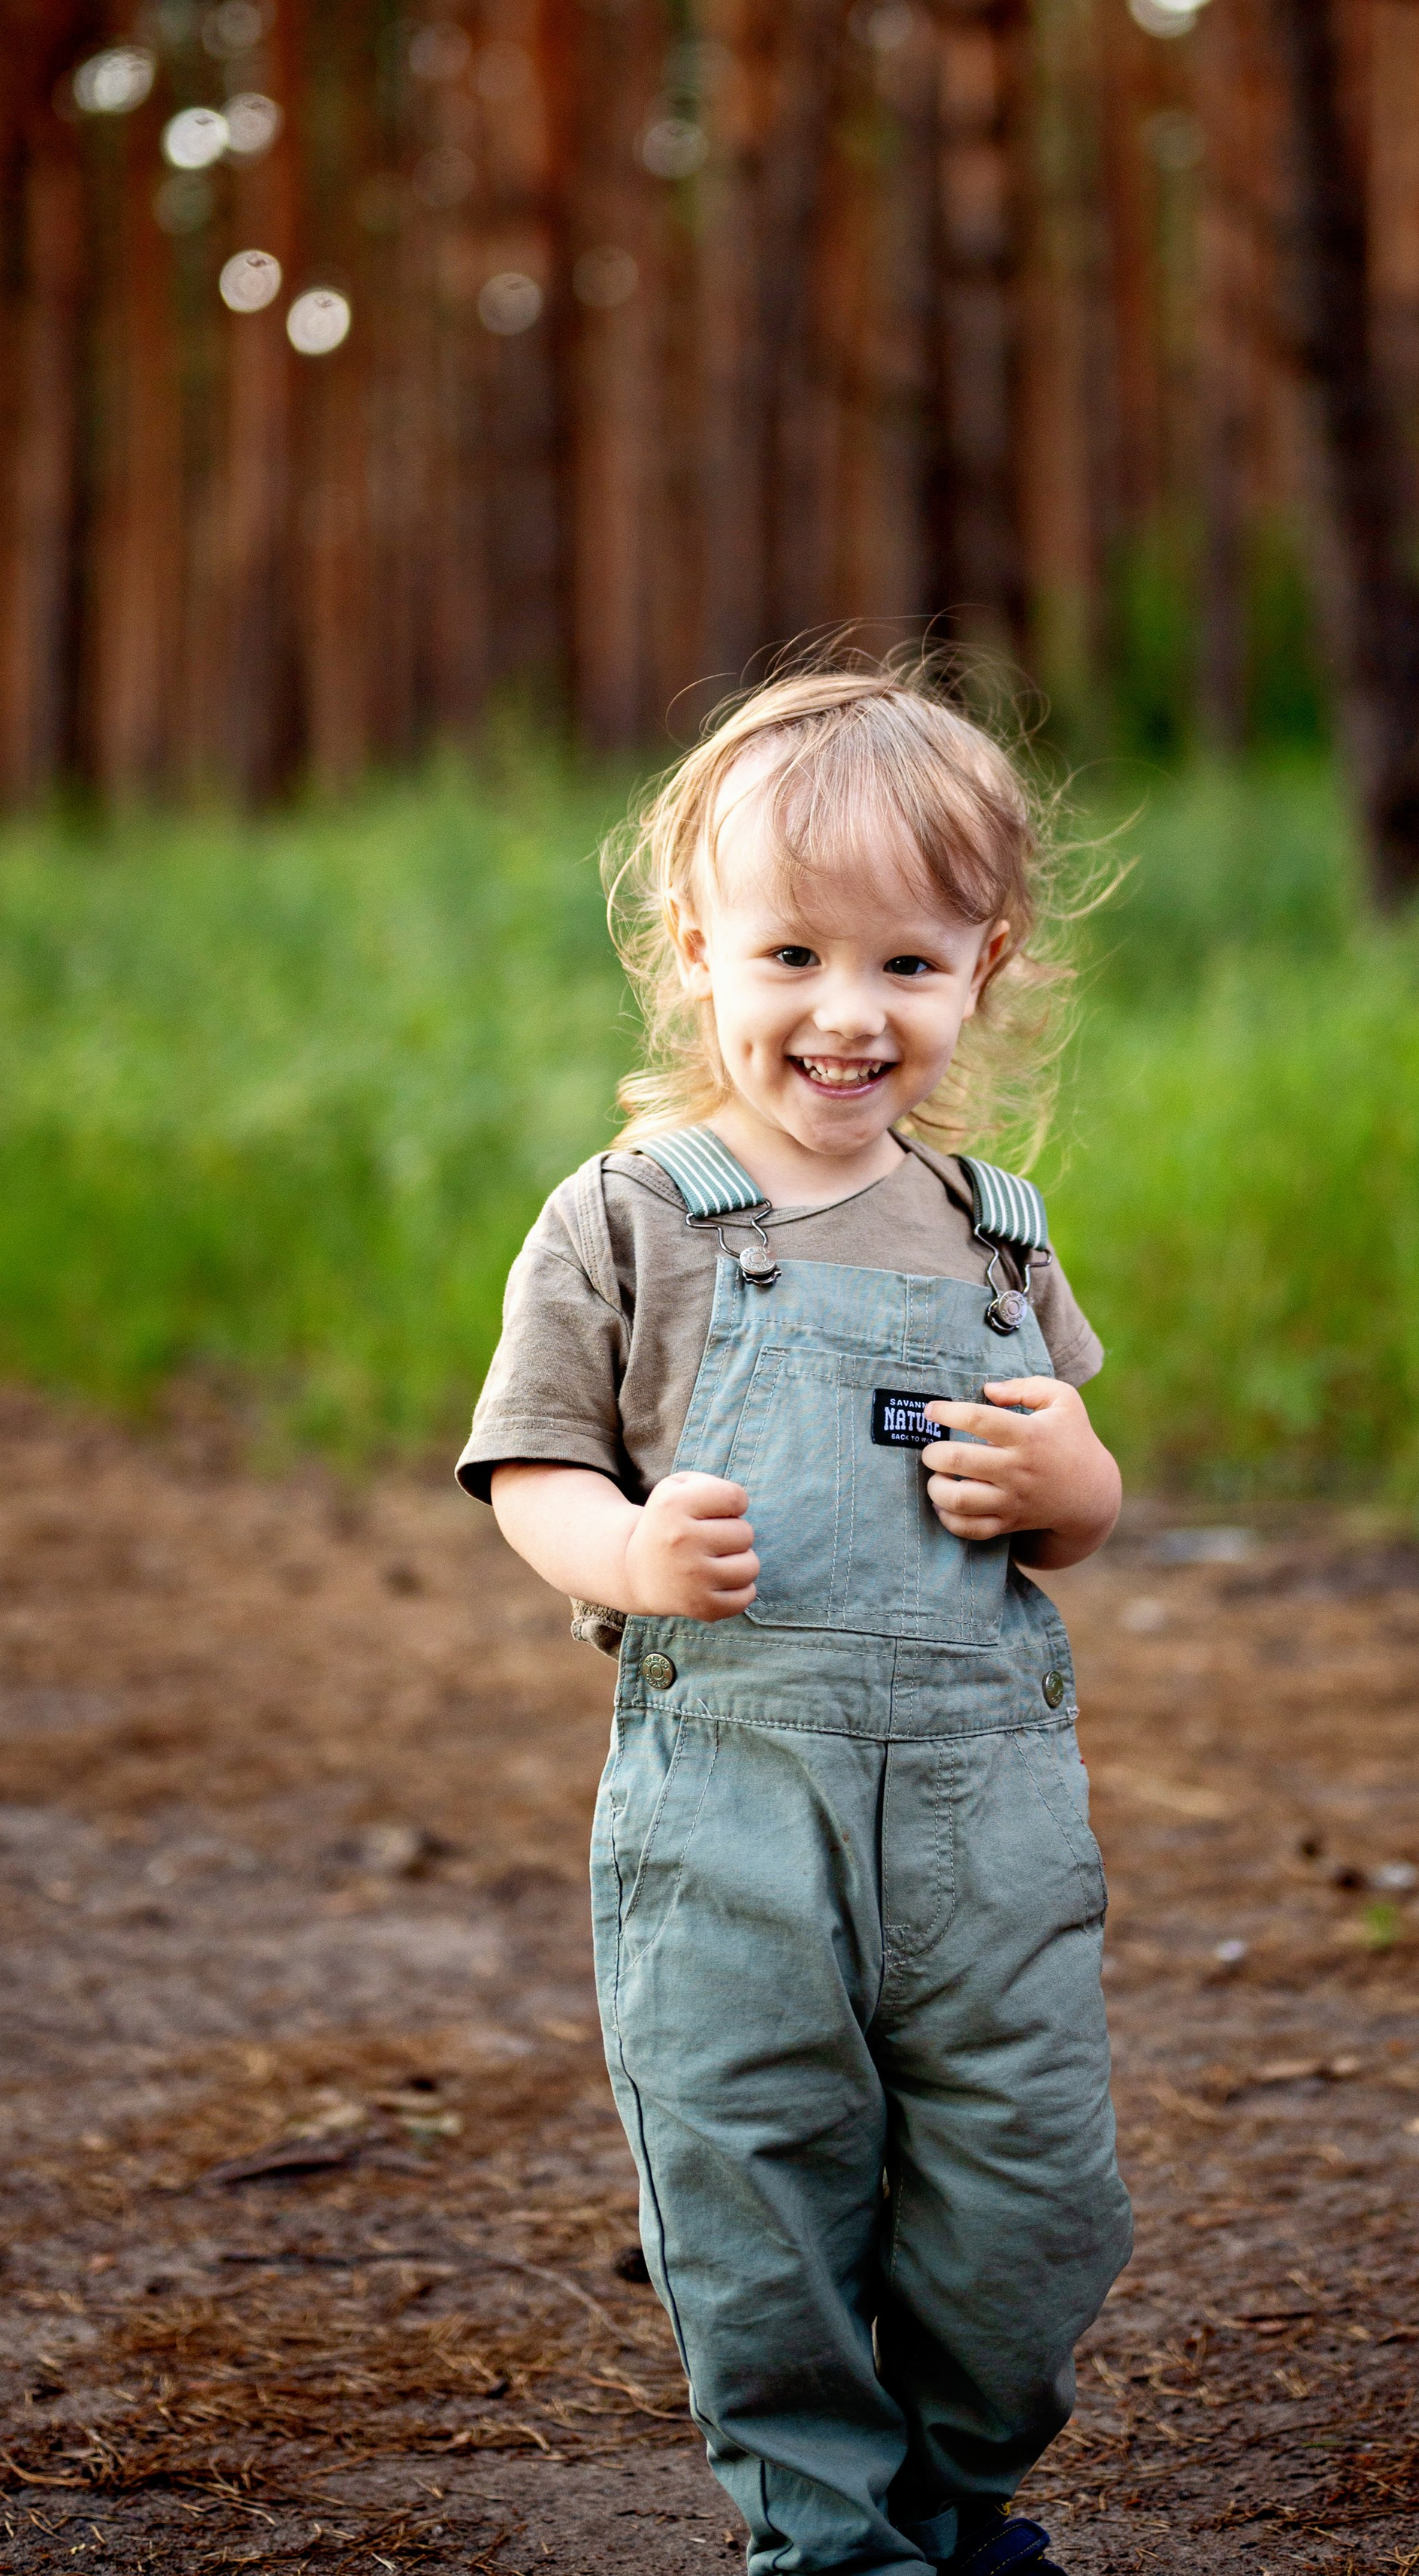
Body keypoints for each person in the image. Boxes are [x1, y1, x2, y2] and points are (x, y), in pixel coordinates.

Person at [457, 659, 1132, 2576]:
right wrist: (630, 1557)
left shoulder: (997, 1232)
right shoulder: (627, 1217)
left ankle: (959, 2484)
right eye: (791, 955)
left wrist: (1064, 1484)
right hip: (732, 1799)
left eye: (905, 967)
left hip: (984, 1819)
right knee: (757, 2173)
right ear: (696, 949)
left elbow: (1076, 1506)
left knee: (1028, 2194)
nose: (845, 1015)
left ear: (982, 967)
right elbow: (529, 1470)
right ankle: (832, 2542)